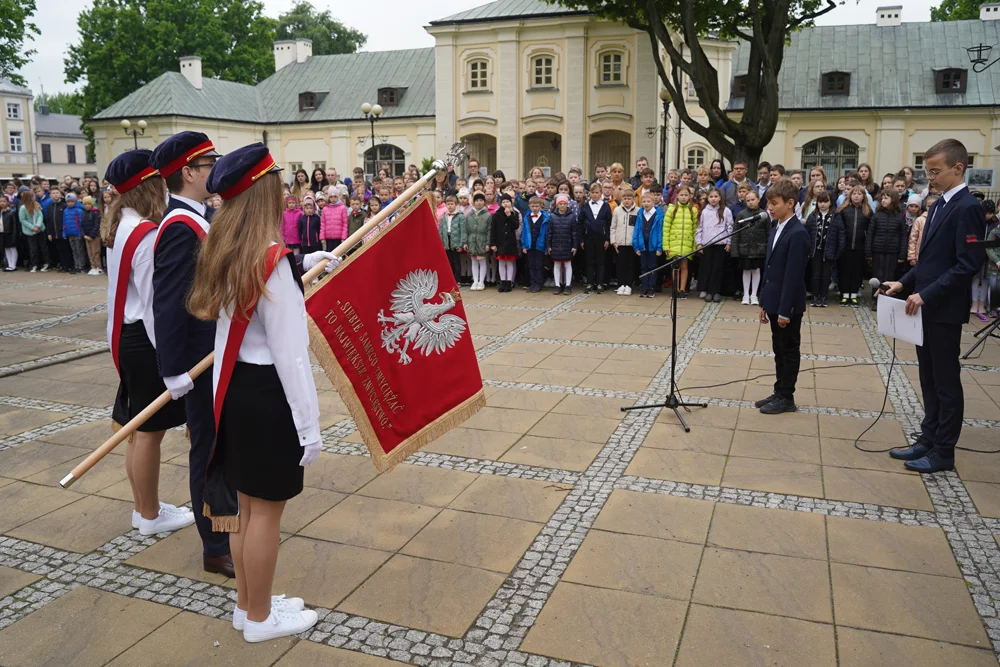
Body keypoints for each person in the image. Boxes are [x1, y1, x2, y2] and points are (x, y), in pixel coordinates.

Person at [189, 143, 321, 641]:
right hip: (269, 397)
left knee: (244, 510)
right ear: (265, 192)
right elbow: (292, 355)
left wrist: (305, 263)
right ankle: (261, 619)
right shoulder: (271, 260)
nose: (287, 191)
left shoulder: (228, 250)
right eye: (280, 183)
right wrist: (309, 426)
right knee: (265, 514)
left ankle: (250, 605)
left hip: (238, 391)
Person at [147, 132, 235, 577]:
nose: (214, 171)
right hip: (199, 363)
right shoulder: (180, 227)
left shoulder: (200, 216)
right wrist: (173, 369)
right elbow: (168, 302)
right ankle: (215, 544)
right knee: (208, 449)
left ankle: (225, 528)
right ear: (189, 172)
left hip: (215, 353)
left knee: (222, 445)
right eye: (208, 165)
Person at [103, 149, 196, 537]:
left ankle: (144, 509)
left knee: (134, 429)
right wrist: (171, 359)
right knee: (148, 432)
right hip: (144, 338)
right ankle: (150, 514)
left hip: (127, 336)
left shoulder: (121, 222)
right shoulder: (145, 233)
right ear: (149, 185)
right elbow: (155, 305)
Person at [882, 139, 986, 473]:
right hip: (923, 306)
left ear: (958, 168)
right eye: (928, 171)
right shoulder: (939, 204)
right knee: (928, 378)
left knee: (945, 381)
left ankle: (943, 451)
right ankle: (927, 438)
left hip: (943, 309)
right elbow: (930, 260)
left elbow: (966, 264)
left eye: (936, 171)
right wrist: (905, 282)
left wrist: (926, 294)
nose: (931, 178)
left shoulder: (967, 207)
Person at [756, 178, 809, 415]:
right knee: (778, 348)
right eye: (768, 202)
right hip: (774, 299)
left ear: (790, 203)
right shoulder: (776, 227)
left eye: (774, 203)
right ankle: (779, 390)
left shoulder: (797, 233)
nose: (770, 207)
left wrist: (786, 310)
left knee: (788, 349)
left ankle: (787, 396)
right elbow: (770, 267)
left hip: (788, 303)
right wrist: (764, 301)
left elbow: (793, 275)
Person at [866, 188, 908, 311]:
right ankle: (876, 299)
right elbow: (870, 234)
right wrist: (868, 251)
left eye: (886, 198)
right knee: (877, 276)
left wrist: (902, 254)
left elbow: (903, 236)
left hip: (892, 251)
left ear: (893, 200)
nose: (883, 201)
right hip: (878, 250)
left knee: (889, 276)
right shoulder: (877, 215)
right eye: (882, 198)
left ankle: (886, 299)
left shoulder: (899, 217)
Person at [804, 191, 843, 307]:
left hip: (829, 250)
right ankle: (816, 296)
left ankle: (824, 296)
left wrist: (839, 250)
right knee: (815, 274)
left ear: (831, 202)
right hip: (815, 250)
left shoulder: (836, 216)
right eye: (820, 201)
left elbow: (841, 234)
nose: (823, 204)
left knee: (826, 275)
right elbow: (807, 233)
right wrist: (807, 249)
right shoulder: (812, 216)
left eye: (826, 201)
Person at [694, 188, 733, 303]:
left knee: (717, 268)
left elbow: (730, 227)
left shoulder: (726, 211)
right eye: (711, 197)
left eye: (716, 196)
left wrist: (728, 242)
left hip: (720, 244)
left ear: (720, 198)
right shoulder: (704, 211)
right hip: (707, 244)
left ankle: (715, 291)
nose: (713, 199)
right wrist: (699, 243)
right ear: (708, 199)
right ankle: (705, 290)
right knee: (706, 268)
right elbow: (699, 228)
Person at [732, 189, 769, 306]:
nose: (751, 202)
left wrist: (768, 249)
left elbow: (768, 233)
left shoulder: (764, 215)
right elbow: (736, 233)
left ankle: (754, 295)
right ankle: (746, 294)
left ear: (758, 199)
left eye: (753, 200)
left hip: (759, 249)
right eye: (748, 200)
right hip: (745, 248)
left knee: (756, 270)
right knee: (746, 271)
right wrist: (735, 250)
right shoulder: (742, 215)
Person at [836, 185, 872, 305]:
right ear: (850, 196)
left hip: (860, 247)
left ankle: (854, 293)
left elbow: (870, 231)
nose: (856, 196)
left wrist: (867, 248)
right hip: (845, 246)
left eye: (859, 194)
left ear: (863, 196)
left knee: (857, 271)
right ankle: (845, 294)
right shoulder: (843, 210)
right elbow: (839, 230)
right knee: (845, 271)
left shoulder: (867, 211)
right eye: (854, 194)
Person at [663, 184, 698, 298]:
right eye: (681, 195)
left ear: (690, 196)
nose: (683, 197)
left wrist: (694, 246)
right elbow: (666, 228)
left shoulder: (693, 210)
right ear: (677, 195)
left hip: (687, 244)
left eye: (686, 195)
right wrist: (666, 246)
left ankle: (682, 289)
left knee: (684, 267)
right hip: (674, 243)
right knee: (675, 267)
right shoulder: (671, 209)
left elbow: (695, 229)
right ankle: (675, 289)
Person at [579, 181, 612, 294]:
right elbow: (581, 222)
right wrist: (582, 239)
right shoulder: (585, 205)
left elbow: (608, 223)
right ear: (589, 193)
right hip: (588, 238)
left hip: (601, 238)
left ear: (600, 193)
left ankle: (599, 283)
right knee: (589, 262)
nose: (594, 195)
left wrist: (608, 239)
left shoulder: (606, 206)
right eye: (592, 192)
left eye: (597, 192)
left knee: (600, 262)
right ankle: (589, 283)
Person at [632, 191, 663, 298]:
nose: (646, 204)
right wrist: (636, 246)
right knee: (644, 266)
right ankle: (645, 287)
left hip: (653, 246)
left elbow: (660, 232)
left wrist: (659, 247)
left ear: (653, 202)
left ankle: (651, 288)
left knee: (652, 267)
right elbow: (636, 230)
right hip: (642, 245)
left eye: (648, 201)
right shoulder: (640, 213)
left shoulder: (658, 215)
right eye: (644, 201)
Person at [547, 193, 578, 295]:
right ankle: (558, 285)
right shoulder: (552, 217)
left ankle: (568, 285)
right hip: (556, 244)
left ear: (567, 205)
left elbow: (574, 232)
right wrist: (549, 245)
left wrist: (574, 246)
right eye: (560, 203)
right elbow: (549, 232)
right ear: (557, 205)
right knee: (557, 265)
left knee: (568, 265)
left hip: (567, 245)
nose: (562, 206)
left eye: (564, 203)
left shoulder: (572, 217)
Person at [610, 186, 638, 296]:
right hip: (620, 243)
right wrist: (613, 241)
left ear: (633, 199)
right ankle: (621, 284)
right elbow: (613, 227)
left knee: (630, 265)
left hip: (632, 243)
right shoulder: (617, 210)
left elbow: (638, 228)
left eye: (629, 198)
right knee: (620, 265)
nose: (627, 200)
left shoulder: (638, 211)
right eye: (624, 198)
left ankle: (629, 285)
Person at [491, 193, 520, 292]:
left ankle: (509, 282)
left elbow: (516, 226)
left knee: (510, 262)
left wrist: (510, 215)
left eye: (507, 201)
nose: (505, 204)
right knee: (502, 262)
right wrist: (493, 243)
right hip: (500, 242)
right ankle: (503, 282)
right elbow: (493, 230)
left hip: (510, 242)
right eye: (503, 202)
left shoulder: (514, 213)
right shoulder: (496, 215)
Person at [465, 192, 492, 291]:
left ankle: (481, 281)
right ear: (473, 202)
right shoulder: (469, 215)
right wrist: (465, 242)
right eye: (477, 200)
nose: (479, 203)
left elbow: (489, 230)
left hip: (482, 240)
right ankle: (475, 281)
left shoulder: (487, 215)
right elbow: (466, 229)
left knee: (482, 261)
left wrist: (488, 243)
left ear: (484, 202)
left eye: (481, 200)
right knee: (474, 262)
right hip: (472, 240)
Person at [521, 196, 549, 293]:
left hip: (540, 246)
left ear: (541, 206)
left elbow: (546, 234)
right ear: (529, 206)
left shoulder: (545, 218)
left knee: (539, 265)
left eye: (537, 206)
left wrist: (546, 247)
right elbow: (524, 232)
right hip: (530, 245)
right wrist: (524, 245)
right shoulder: (527, 218)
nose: (535, 208)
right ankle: (532, 283)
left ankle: (539, 283)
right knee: (531, 265)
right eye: (532, 206)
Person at [438, 195, 466, 283]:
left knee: (456, 262)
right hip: (447, 240)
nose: (450, 206)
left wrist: (461, 244)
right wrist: (442, 243)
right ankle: (450, 279)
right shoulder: (444, 217)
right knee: (449, 262)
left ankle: (457, 279)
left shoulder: (460, 216)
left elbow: (463, 230)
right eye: (448, 204)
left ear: (456, 205)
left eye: (452, 204)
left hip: (456, 241)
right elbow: (441, 231)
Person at [19, 190, 48, 272]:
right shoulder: (23, 208)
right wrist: (32, 227)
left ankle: (46, 263)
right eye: (32, 196)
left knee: (43, 247)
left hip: (40, 229)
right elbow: (23, 220)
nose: (34, 197)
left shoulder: (36, 205)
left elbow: (40, 216)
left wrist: (38, 226)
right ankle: (34, 264)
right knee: (33, 249)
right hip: (30, 231)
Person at [907, 193, 937, 266]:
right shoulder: (920, 220)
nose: (931, 208)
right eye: (929, 206)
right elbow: (913, 239)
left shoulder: (942, 219)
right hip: (920, 256)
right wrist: (912, 256)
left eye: (934, 206)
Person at [62, 193, 87, 274]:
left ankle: (81, 265)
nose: (70, 203)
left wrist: (80, 233)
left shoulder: (79, 210)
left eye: (72, 201)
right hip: (70, 233)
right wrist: (64, 233)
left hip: (77, 233)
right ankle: (76, 265)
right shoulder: (66, 210)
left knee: (79, 250)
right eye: (68, 202)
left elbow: (80, 223)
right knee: (74, 250)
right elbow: (64, 223)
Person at [81, 196, 103, 274]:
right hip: (86, 236)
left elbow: (96, 225)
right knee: (90, 253)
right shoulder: (84, 214)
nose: (87, 206)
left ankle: (98, 267)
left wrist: (91, 235)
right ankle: (93, 266)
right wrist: (84, 235)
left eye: (88, 204)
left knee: (95, 252)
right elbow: (81, 225)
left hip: (94, 237)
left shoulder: (95, 213)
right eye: (85, 204)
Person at [0, 195, 17, 270]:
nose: (2, 203)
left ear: (8, 202)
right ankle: (9, 264)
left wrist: (14, 235)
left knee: (12, 248)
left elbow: (14, 225)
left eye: (4, 201)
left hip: (9, 233)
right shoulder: (1, 212)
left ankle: (13, 265)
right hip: (2, 232)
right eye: (0, 201)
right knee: (6, 248)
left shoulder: (11, 212)